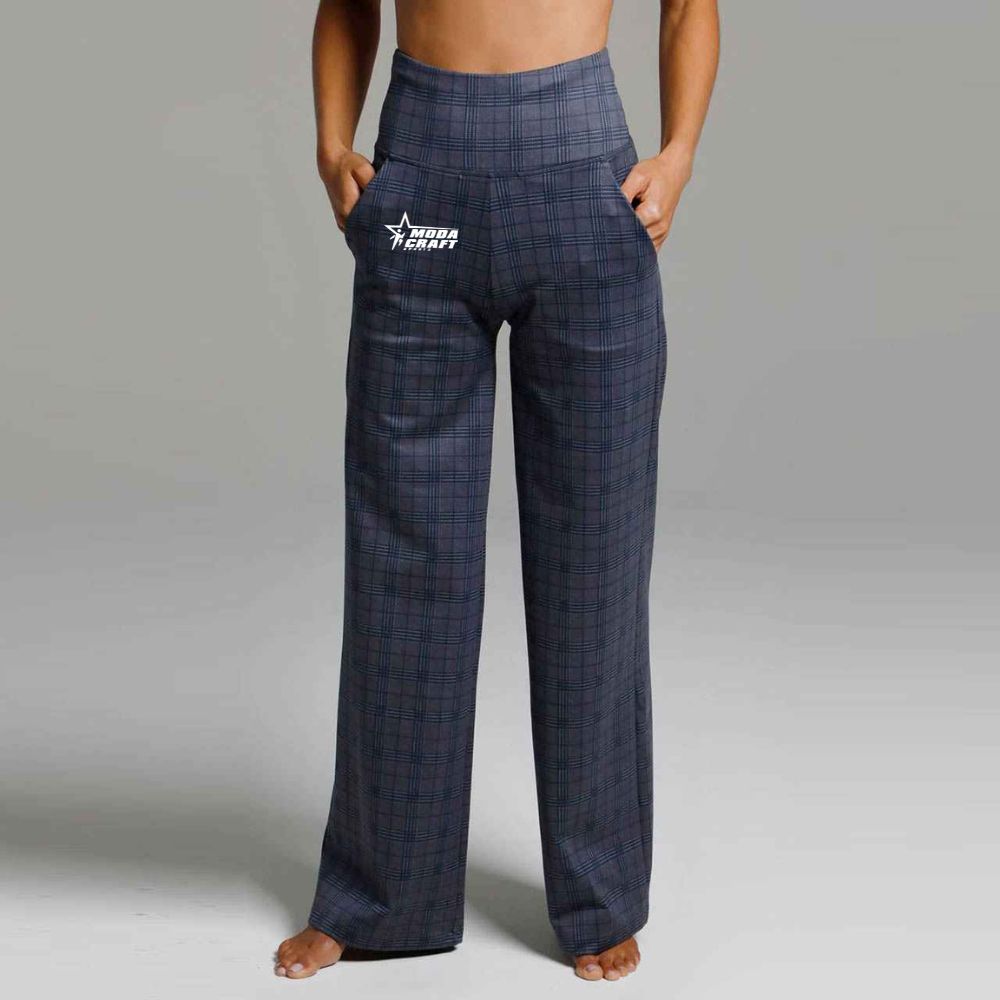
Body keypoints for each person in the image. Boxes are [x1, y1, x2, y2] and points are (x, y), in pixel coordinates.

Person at [275, 0, 719, 983]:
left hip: (585, 173)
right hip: (424, 178)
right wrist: (330, 146)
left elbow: (689, 4)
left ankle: (598, 895)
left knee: (595, 558)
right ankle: (380, 894)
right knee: (401, 554)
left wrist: (680, 153)